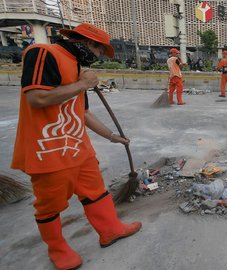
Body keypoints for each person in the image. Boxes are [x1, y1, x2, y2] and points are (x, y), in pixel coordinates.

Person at [10, 23, 141, 270]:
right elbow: (36, 98)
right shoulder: (42, 53)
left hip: (78, 146)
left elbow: (82, 112)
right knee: (50, 204)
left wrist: (112, 136)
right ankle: (58, 249)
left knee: (96, 191)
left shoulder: (78, 67)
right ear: (86, 43)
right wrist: (82, 84)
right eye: (100, 51)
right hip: (47, 148)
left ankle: (110, 230)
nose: (99, 57)